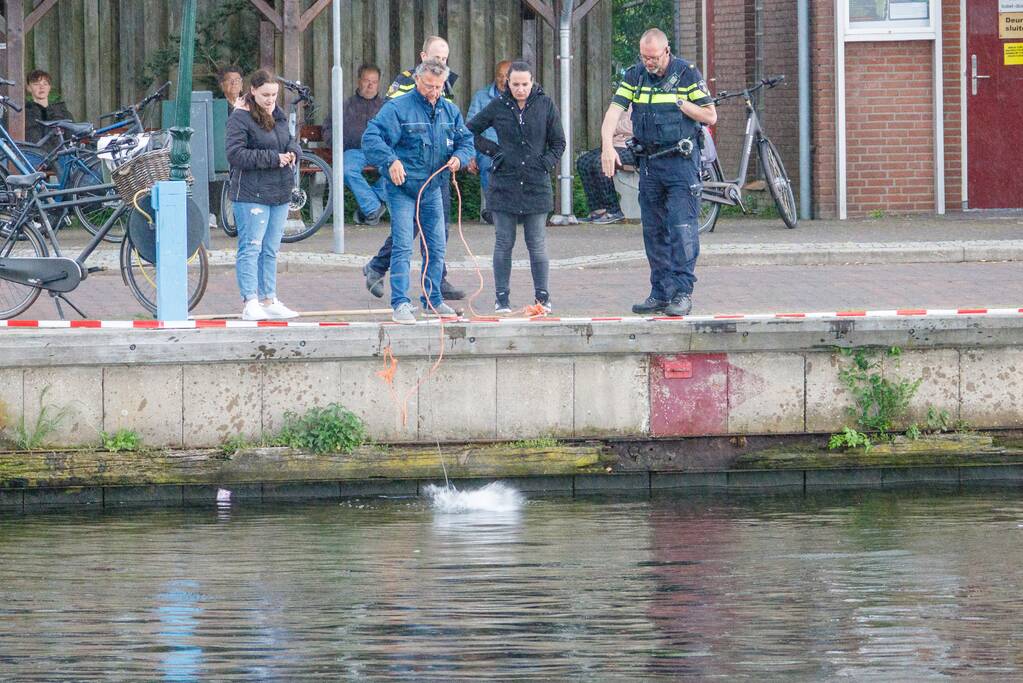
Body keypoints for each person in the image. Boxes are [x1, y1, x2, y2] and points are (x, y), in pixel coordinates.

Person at [600, 28, 716, 317]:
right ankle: (660, 292)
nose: (648, 62)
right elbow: (613, 114)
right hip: (650, 164)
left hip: (681, 164)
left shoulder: (687, 73)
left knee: (681, 228)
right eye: (644, 56)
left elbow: (710, 115)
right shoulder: (635, 75)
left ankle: (682, 293)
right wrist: (606, 146)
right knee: (653, 231)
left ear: (666, 51)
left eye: (652, 57)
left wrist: (679, 101)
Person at [362, 59, 474, 324]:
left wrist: (459, 156)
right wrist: (390, 160)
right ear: (417, 80)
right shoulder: (398, 108)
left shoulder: (450, 110)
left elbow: (466, 140)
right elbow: (371, 137)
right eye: (428, 86)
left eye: (438, 87)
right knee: (402, 245)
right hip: (402, 187)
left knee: (436, 247)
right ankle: (400, 303)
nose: (433, 92)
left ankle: (432, 300)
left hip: (433, 187)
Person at [467, 61, 565, 314]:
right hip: (504, 183)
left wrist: (547, 163)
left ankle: (542, 297)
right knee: (503, 242)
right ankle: (502, 298)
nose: (520, 89)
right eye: (515, 84)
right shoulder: (498, 106)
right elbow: (470, 130)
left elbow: (559, 141)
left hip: (536, 183)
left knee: (537, 243)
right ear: (507, 83)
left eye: (525, 84)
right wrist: (493, 151)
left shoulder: (545, 104)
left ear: (532, 82)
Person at [225, 69, 303, 321]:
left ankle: (269, 298)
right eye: (265, 95)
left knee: (270, 248)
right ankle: (250, 300)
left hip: (279, 191)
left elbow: (290, 140)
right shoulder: (241, 117)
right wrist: (273, 158)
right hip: (250, 193)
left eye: (274, 95)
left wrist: (292, 152)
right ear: (253, 92)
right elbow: (235, 154)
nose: (270, 100)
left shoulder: (278, 115)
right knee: (251, 247)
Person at [321, 64, 388, 225]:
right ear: (359, 81)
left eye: (374, 81)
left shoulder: (386, 107)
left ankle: (372, 204)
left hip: (380, 151)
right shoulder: (344, 106)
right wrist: (338, 146)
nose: (370, 85)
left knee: (397, 170)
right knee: (345, 170)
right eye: (366, 81)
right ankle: (373, 208)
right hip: (354, 151)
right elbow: (328, 128)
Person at [466, 60, 511, 224]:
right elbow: (468, 129)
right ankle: (494, 209)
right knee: (488, 162)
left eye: (507, 76)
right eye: (500, 76)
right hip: (487, 148)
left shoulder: (521, 96)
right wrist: (470, 155)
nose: (503, 80)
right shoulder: (481, 97)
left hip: (513, 148)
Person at [576, 107, 634, 224]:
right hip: (615, 145)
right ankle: (598, 210)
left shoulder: (642, 100)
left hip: (635, 148)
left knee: (601, 163)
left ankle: (614, 211)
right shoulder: (622, 101)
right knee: (583, 161)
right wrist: (613, 128)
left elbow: (634, 126)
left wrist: (613, 128)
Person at [23, 70, 73, 149]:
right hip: (35, 157)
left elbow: (71, 138)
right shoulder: (25, 114)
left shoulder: (62, 113)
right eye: (36, 84)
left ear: (49, 87)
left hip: (60, 157)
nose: (41, 87)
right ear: (29, 88)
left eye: (45, 84)